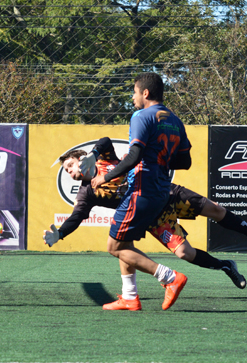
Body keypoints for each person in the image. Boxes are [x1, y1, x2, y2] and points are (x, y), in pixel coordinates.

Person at [44, 136, 247, 290]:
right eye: (67, 172)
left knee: (215, 209)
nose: (71, 172)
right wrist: (60, 234)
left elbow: (105, 141)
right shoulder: (86, 194)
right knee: (184, 254)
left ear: (80, 158)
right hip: (153, 217)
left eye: (70, 166)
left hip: (163, 192)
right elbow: (76, 217)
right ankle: (226, 266)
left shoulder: (103, 158)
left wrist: (94, 153)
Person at [77, 72, 188, 311]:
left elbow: (135, 155)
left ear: (145, 93)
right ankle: (129, 297)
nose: (133, 96)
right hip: (160, 191)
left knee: (114, 247)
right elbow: (185, 161)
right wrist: (160, 159)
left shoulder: (141, 116)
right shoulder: (175, 120)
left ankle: (170, 278)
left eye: (134, 92)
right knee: (124, 241)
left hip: (141, 189)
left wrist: (104, 177)